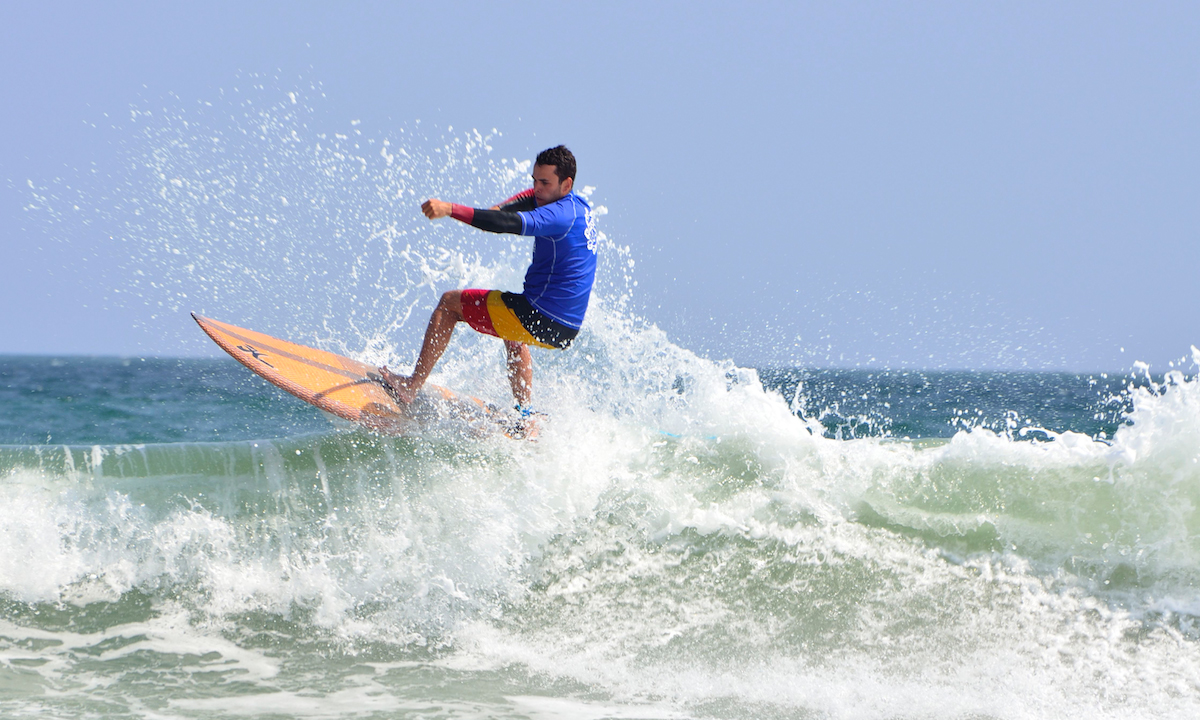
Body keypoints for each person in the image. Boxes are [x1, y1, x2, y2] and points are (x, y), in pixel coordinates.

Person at [378, 145, 598, 413]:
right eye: (534, 180)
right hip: (565, 327)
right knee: (512, 330)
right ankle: (525, 416)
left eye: (545, 182)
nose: (537, 188)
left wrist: (450, 208)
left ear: (566, 184)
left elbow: (504, 224)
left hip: (539, 316)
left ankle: (410, 387)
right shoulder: (577, 207)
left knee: (449, 303)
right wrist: (496, 211)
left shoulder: (555, 215)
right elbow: (514, 206)